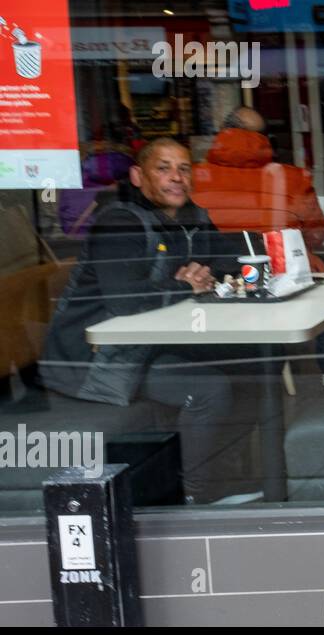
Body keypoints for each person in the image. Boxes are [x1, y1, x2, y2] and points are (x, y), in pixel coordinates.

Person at [39, 139, 245, 503]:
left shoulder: (189, 217)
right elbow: (124, 300)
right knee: (209, 389)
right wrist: (184, 285)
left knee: (247, 362)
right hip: (95, 360)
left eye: (183, 168)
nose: (176, 177)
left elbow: (225, 256)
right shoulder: (120, 223)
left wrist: (206, 273)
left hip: (145, 347)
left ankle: (228, 476)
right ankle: (196, 498)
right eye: (163, 168)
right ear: (138, 176)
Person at [192, 107, 324, 384]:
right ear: (264, 140)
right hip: (281, 270)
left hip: (222, 276)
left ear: (223, 132)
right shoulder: (292, 176)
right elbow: (315, 235)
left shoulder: (193, 176)